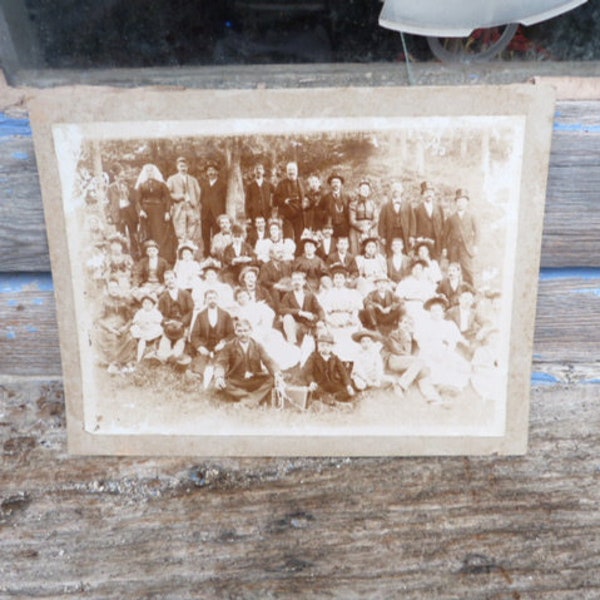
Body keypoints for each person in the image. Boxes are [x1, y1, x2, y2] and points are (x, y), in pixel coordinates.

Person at [214, 319, 283, 408]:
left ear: (251, 331)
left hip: (254, 379)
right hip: (237, 380)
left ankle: (246, 401)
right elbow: (221, 363)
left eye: (246, 331)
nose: (243, 334)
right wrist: (219, 376)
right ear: (235, 332)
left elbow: (268, 361)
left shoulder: (257, 345)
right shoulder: (229, 346)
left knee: (272, 379)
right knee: (223, 382)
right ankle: (252, 399)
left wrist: (277, 373)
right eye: (240, 331)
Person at [230, 287, 300, 371]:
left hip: (260, 329)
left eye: (244, 296)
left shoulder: (257, 306)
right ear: (237, 300)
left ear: (248, 296)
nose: (242, 299)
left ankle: (274, 363)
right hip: (247, 332)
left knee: (272, 338)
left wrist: (265, 330)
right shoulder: (238, 311)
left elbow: (268, 316)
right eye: (239, 297)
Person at [414, 296, 471, 391]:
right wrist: (432, 354)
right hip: (428, 350)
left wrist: (448, 352)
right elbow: (421, 342)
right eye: (433, 311)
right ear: (429, 312)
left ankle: (452, 386)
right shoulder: (424, 324)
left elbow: (453, 341)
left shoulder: (448, 324)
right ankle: (442, 385)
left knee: (457, 364)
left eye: (438, 310)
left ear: (442, 312)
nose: (436, 313)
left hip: (444, 350)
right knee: (434, 366)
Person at [383, 312, 442, 403]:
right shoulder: (394, 334)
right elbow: (397, 351)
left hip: (407, 362)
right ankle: (400, 385)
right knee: (420, 362)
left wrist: (413, 338)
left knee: (424, 369)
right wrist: (408, 340)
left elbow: (417, 351)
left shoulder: (412, 337)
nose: (407, 325)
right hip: (394, 360)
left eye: (409, 323)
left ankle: (430, 395)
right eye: (404, 323)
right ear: (399, 324)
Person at [189, 289, 235, 383]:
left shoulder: (225, 315)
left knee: (221, 359)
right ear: (205, 300)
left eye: (214, 298)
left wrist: (223, 343)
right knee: (201, 358)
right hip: (205, 345)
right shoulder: (200, 315)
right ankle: (197, 375)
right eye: (209, 298)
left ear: (218, 299)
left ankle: (217, 376)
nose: (212, 300)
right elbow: (194, 335)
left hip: (219, 346)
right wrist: (200, 346)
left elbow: (231, 333)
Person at [93, 278, 136, 374]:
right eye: (111, 287)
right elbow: (98, 319)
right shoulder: (103, 301)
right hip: (107, 328)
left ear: (119, 288)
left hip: (122, 328)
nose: (113, 289)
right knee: (111, 338)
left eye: (115, 287)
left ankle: (121, 362)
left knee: (130, 338)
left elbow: (131, 318)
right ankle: (113, 363)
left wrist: (126, 327)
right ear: (107, 289)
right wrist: (110, 329)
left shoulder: (124, 300)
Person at [322, 264, 363, 361]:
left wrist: (352, 318)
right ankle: (336, 361)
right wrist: (331, 321)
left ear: (345, 279)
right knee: (336, 336)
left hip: (348, 318)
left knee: (351, 334)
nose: (338, 280)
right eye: (336, 278)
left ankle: (350, 361)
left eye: (341, 278)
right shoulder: (328, 293)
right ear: (333, 280)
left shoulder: (351, 293)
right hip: (333, 320)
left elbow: (355, 309)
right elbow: (324, 311)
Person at [134, 164, 174, 261]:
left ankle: (162, 256)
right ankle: (147, 257)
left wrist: (167, 212)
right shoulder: (141, 185)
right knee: (147, 233)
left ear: (154, 172)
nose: (149, 173)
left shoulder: (161, 184)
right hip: (146, 213)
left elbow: (168, 198)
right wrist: (141, 211)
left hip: (159, 211)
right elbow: (137, 200)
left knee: (159, 233)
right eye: (147, 171)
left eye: (151, 171)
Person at [302, 332, 355, 403]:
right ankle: (326, 398)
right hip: (320, 382)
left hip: (332, 382)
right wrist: (311, 382)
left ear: (332, 347)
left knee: (347, 391)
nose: (325, 348)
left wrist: (348, 385)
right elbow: (307, 372)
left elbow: (343, 373)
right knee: (315, 390)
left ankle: (333, 397)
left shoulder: (335, 358)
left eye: (327, 346)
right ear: (318, 346)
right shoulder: (313, 357)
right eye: (322, 345)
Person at [155, 270, 194, 365]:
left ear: (176, 279)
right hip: (169, 325)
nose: (170, 281)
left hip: (183, 325)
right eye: (167, 279)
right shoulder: (163, 297)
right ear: (165, 282)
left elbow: (191, 311)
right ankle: (163, 357)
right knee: (165, 340)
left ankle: (174, 356)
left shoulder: (185, 294)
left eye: (172, 278)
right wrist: (167, 322)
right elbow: (160, 314)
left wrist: (183, 323)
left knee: (180, 341)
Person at [442, 188, 479, 286]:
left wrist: (475, 246)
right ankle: (451, 290)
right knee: (452, 270)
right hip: (453, 248)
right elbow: (445, 235)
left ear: (467, 203)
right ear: (456, 203)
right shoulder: (451, 218)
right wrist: (445, 248)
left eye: (463, 201)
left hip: (466, 248)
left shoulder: (471, 217)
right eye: (458, 201)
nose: (460, 203)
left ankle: (470, 292)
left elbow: (477, 232)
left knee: (468, 270)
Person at [279, 270, 325, 345]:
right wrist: (300, 312)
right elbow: (282, 310)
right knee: (287, 317)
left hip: (310, 324)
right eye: (294, 280)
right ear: (292, 282)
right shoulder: (288, 296)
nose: (297, 282)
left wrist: (321, 320)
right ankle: (292, 344)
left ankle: (321, 349)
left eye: (299, 280)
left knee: (322, 329)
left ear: (304, 282)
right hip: (295, 325)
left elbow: (319, 309)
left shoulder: (310, 295)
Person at [106, 163, 139, 259]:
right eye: (120, 176)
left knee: (133, 233)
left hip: (129, 210)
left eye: (123, 176)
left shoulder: (128, 186)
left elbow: (134, 200)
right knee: (120, 234)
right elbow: (107, 203)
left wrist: (128, 192)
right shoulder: (110, 188)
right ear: (115, 177)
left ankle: (135, 253)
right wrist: (108, 215)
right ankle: (124, 254)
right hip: (118, 212)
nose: (122, 178)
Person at [166, 156, 201, 247]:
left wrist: (194, 202)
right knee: (180, 230)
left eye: (185, 166)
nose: (183, 168)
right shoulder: (172, 179)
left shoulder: (193, 180)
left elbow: (198, 193)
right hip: (179, 207)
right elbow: (167, 194)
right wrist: (180, 197)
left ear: (187, 167)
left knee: (192, 227)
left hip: (191, 207)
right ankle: (181, 248)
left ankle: (190, 248)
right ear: (177, 167)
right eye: (181, 166)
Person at [377, 181, 414, 256]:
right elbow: (381, 223)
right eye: (394, 190)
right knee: (390, 252)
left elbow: (412, 221)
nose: (396, 192)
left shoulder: (407, 205)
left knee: (404, 252)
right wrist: (382, 237)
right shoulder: (385, 206)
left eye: (398, 190)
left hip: (404, 233)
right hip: (390, 233)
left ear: (401, 191)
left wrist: (411, 235)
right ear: (391, 192)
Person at [273, 161, 305, 246]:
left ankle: (298, 256)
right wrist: (284, 201)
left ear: (297, 171)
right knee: (288, 238)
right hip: (286, 216)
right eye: (289, 170)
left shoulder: (302, 183)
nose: (291, 172)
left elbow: (306, 197)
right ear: (287, 172)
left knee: (300, 238)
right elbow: (274, 200)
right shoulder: (281, 184)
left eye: (293, 169)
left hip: (299, 215)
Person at [201, 161, 227, 256]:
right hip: (205, 214)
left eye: (213, 170)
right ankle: (207, 253)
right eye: (209, 171)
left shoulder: (222, 184)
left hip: (217, 214)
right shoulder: (203, 184)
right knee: (205, 235)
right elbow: (201, 198)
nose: (211, 173)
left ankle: (216, 254)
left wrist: (223, 214)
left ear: (217, 172)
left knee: (216, 234)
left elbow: (225, 200)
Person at [414, 181, 445, 259]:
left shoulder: (439, 208)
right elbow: (414, 227)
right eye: (426, 192)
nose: (429, 194)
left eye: (431, 192)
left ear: (433, 194)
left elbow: (443, 226)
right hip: (424, 243)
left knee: (436, 263)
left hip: (437, 243)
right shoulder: (417, 209)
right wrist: (418, 239)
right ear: (422, 194)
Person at [130, 292, 163, 363]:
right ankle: (138, 357)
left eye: (149, 303)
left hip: (151, 329)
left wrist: (150, 323)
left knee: (158, 330)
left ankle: (153, 349)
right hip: (141, 329)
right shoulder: (140, 312)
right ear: (142, 305)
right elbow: (135, 321)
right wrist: (140, 323)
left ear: (153, 305)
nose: (146, 305)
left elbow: (159, 320)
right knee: (139, 335)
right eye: (144, 303)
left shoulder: (155, 312)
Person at [349, 180, 378, 256]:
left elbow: (376, 219)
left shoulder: (373, 204)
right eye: (363, 189)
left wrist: (369, 227)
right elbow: (352, 220)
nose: (365, 191)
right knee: (356, 250)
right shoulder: (353, 204)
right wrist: (362, 228)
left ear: (369, 192)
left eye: (367, 190)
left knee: (371, 248)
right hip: (356, 230)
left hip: (370, 229)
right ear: (359, 191)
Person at [322, 173, 350, 241]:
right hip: (331, 227)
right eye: (333, 182)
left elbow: (349, 212)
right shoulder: (325, 198)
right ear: (330, 184)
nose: (335, 184)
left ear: (341, 184)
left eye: (337, 182)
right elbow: (319, 212)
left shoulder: (346, 197)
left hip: (344, 227)